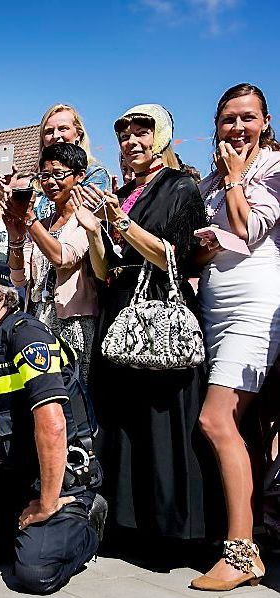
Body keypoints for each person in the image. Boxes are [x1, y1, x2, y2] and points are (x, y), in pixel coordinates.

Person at [72, 104, 219, 545]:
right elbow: (104, 271)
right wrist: (96, 232)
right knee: (125, 422)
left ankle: (173, 532)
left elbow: (172, 256)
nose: (131, 142)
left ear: (162, 137)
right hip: (121, 311)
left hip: (161, 314)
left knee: (162, 423)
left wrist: (118, 220)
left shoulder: (180, 187)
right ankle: (128, 527)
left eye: (141, 133)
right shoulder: (129, 192)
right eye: (124, 136)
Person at [0, 254, 103, 594]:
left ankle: (87, 524)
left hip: (58, 480)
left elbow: (53, 425)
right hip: (8, 478)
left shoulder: (26, 335)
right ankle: (27, 530)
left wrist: (49, 501)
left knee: (35, 575)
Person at [190, 84, 280, 591]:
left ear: (266, 121)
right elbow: (202, 254)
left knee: (215, 418)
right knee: (239, 426)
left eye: (247, 118)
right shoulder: (209, 181)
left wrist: (237, 180)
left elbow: (248, 231)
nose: (237, 128)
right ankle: (245, 532)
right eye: (228, 120)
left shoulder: (271, 169)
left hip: (257, 304)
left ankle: (243, 554)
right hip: (214, 305)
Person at [5, 143, 99, 383]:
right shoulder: (42, 223)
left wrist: (29, 218)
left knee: (76, 391)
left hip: (74, 321)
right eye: (44, 176)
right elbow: (19, 278)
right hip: (39, 316)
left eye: (58, 174)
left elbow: (63, 258)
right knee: (45, 392)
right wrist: (16, 238)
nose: (50, 182)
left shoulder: (87, 217)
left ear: (80, 176)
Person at [33, 104, 112, 220]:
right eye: (49, 131)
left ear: (78, 134)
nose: (55, 136)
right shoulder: (37, 182)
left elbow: (83, 221)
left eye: (62, 128)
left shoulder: (95, 174)